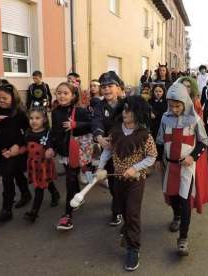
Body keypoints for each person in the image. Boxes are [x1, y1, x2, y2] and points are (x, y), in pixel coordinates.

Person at [95, 95, 157, 271]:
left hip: (136, 180)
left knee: (132, 212)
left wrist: (135, 168)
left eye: (128, 110)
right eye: (123, 109)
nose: (124, 113)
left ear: (137, 113)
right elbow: (107, 151)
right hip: (117, 179)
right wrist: (100, 168)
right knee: (122, 208)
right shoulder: (115, 130)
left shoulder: (144, 135)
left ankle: (133, 248)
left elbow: (152, 157)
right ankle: (126, 223)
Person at [155, 83, 208, 257]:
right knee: (173, 198)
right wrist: (158, 159)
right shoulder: (165, 119)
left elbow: (204, 141)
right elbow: (159, 140)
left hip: (186, 168)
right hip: (170, 166)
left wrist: (192, 157)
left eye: (178, 105)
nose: (174, 109)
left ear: (185, 102)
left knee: (185, 200)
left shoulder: (194, 119)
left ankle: (183, 239)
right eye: (171, 106)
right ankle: (176, 216)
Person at [0, 83, 31, 222]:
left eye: (5, 98)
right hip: (3, 151)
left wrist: (18, 145)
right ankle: (26, 194)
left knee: (7, 177)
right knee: (14, 173)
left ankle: (6, 210)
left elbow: (28, 131)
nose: (1, 101)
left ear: (12, 97)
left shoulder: (19, 112)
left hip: (17, 150)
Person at [52, 82, 93, 230]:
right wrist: (52, 148)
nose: (62, 96)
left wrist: (75, 124)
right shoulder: (55, 111)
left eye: (65, 93)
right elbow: (54, 132)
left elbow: (92, 124)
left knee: (69, 180)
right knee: (72, 178)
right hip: (63, 152)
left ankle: (67, 216)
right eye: (59, 93)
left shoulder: (79, 111)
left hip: (76, 151)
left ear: (73, 95)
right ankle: (78, 198)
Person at [92, 71, 124, 226]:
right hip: (109, 148)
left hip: (126, 149)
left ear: (118, 88)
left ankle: (119, 206)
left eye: (110, 86)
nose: (106, 89)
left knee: (123, 180)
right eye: (103, 87)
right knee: (113, 181)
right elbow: (96, 122)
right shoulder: (99, 106)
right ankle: (116, 206)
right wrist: (99, 137)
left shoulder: (126, 104)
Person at [22, 107, 60, 223]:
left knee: (39, 186)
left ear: (44, 120)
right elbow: (25, 147)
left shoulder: (48, 133)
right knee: (46, 181)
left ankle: (33, 212)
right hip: (33, 164)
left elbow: (51, 147)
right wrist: (14, 151)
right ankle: (55, 193)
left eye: (37, 118)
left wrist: (51, 151)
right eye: (31, 118)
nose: (34, 121)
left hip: (44, 164)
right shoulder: (28, 132)